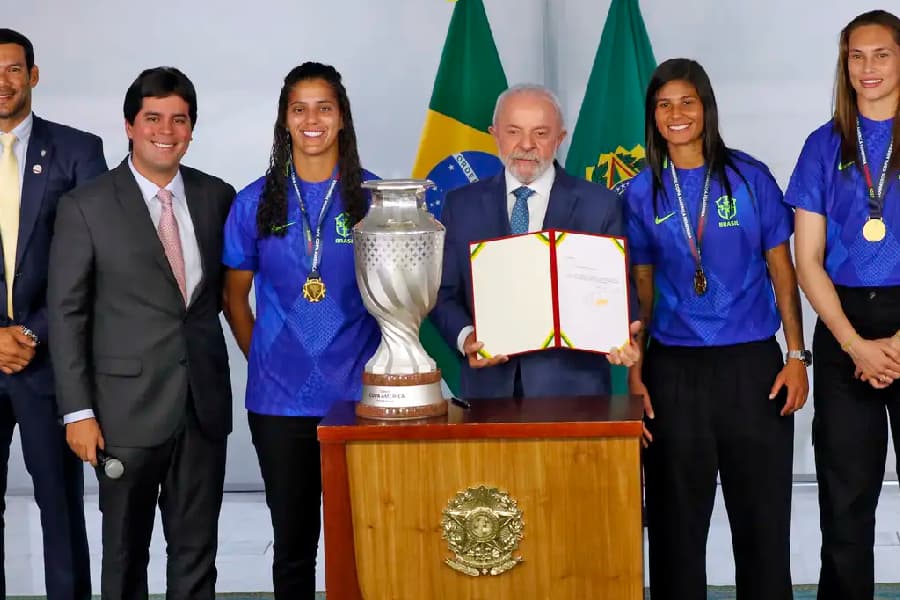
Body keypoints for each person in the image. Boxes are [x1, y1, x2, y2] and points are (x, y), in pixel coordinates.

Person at [623, 58, 808, 599]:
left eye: (687, 102)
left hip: (753, 368)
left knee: (762, 526)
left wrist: (797, 356)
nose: (676, 114)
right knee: (677, 532)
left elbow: (783, 269)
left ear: (706, 107)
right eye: (663, 105)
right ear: (652, 117)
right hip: (674, 372)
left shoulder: (750, 177)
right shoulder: (640, 192)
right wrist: (637, 377)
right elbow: (640, 294)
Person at [47, 66, 235, 599]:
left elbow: (226, 294)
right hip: (121, 412)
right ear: (130, 125)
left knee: (197, 552)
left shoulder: (215, 197)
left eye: (179, 120)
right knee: (125, 555)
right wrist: (78, 412)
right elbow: (67, 313)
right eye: (153, 118)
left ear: (192, 129)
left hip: (202, 407)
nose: (166, 130)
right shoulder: (86, 206)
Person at [222, 61, 379, 600]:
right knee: (293, 545)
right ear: (285, 121)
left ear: (342, 118)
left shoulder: (376, 199)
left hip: (358, 398)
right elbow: (233, 296)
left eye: (324, 108)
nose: (312, 119)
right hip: (279, 402)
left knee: (363, 539)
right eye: (299, 109)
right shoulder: (254, 201)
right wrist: (263, 357)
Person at [786, 10, 900, 599]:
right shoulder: (823, 144)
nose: (868, 68)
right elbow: (807, 258)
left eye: (881, 54)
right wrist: (855, 343)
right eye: (857, 56)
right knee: (845, 496)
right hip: (842, 324)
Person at [431, 83, 641, 399]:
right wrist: (466, 338)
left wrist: (621, 333)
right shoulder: (461, 205)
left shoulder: (599, 204)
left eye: (541, 134)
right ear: (495, 134)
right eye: (514, 131)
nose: (526, 144)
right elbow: (442, 293)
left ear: (560, 138)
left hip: (574, 394)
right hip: (488, 395)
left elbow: (619, 293)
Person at [0, 28, 106, 599]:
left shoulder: (77, 152)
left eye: (15, 69)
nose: (3, 81)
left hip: (49, 364)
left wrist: (27, 333)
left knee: (60, 512)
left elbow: (95, 259)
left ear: (33, 76)